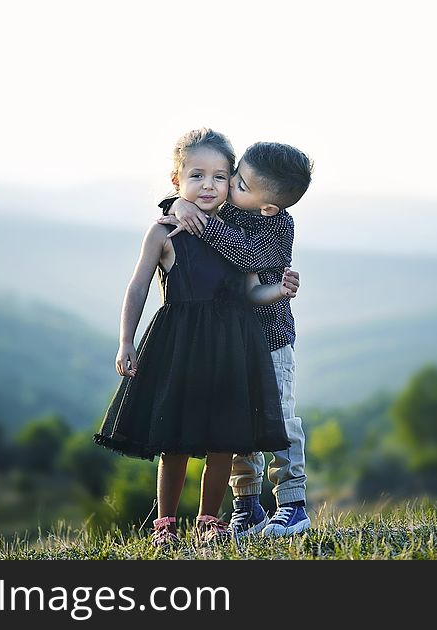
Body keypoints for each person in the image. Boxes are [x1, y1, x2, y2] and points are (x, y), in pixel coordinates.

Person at [93, 128, 297, 548]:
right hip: (180, 349)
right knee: (174, 439)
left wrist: (278, 291)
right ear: (176, 180)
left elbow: (250, 290)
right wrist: (126, 341)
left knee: (225, 439)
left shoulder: (232, 232)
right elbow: (138, 288)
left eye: (221, 177)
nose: (209, 185)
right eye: (197, 176)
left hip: (230, 351)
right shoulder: (165, 230)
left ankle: (211, 522)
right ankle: (165, 525)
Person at [158, 140, 313, 538]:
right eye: (234, 176)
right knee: (236, 425)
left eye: (237, 183)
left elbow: (245, 258)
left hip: (270, 338)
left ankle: (292, 504)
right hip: (228, 342)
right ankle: (248, 505)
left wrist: (202, 220)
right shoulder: (230, 205)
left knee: (278, 418)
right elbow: (193, 195)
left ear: (268, 205)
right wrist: (177, 204)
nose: (226, 188)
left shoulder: (277, 226)